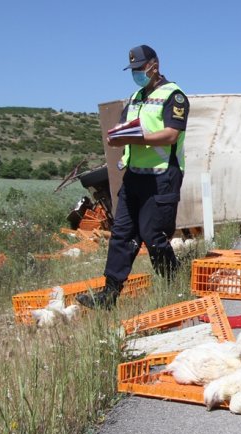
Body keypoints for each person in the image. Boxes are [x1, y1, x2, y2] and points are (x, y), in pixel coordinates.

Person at [78, 44, 189, 309]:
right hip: (134, 176)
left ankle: (173, 288)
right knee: (122, 233)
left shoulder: (175, 96)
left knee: (153, 235)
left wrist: (140, 139)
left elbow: (172, 133)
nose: (137, 73)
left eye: (140, 68)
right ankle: (109, 294)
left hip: (162, 176)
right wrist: (117, 137)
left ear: (154, 64)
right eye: (133, 70)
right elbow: (126, 128)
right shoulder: (136, 97)